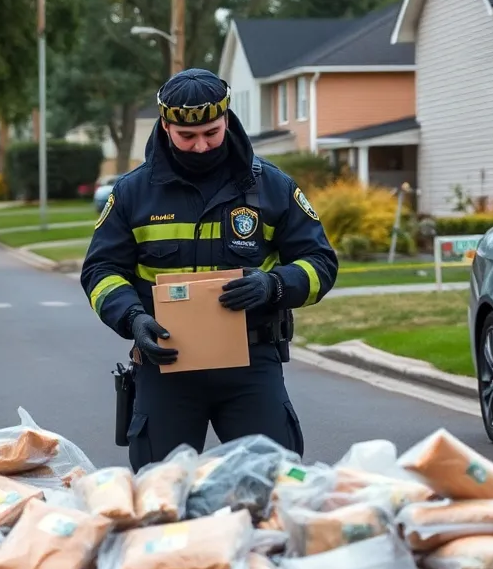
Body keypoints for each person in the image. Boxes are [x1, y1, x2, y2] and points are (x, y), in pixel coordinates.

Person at [80, 68, 339, 472]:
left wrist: (273, 285)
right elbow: (101, 270)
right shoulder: (133, 192)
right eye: (187, 136)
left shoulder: (272, 186)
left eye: (211, 133)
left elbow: (320, 263)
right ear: (165, 127)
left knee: (272, 482)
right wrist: (132, 318)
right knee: (161, 488)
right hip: (166, 364)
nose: (200, 146)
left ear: (227, 121)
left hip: (251, 363)